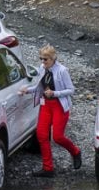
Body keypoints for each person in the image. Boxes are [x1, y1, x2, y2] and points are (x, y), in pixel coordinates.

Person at [19, 44, 82, 177]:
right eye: (41, 58)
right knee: (41, 135)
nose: (42, 62)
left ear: (53, 59)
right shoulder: (42, 68)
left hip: (59, 105)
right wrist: (27, 90)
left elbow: (71, 90)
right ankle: (48, 168)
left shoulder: (62, 70)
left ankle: (75, 152)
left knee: (58, 137)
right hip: (45, 105)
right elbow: (40, 86)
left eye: (45, 59)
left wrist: (55, 93)